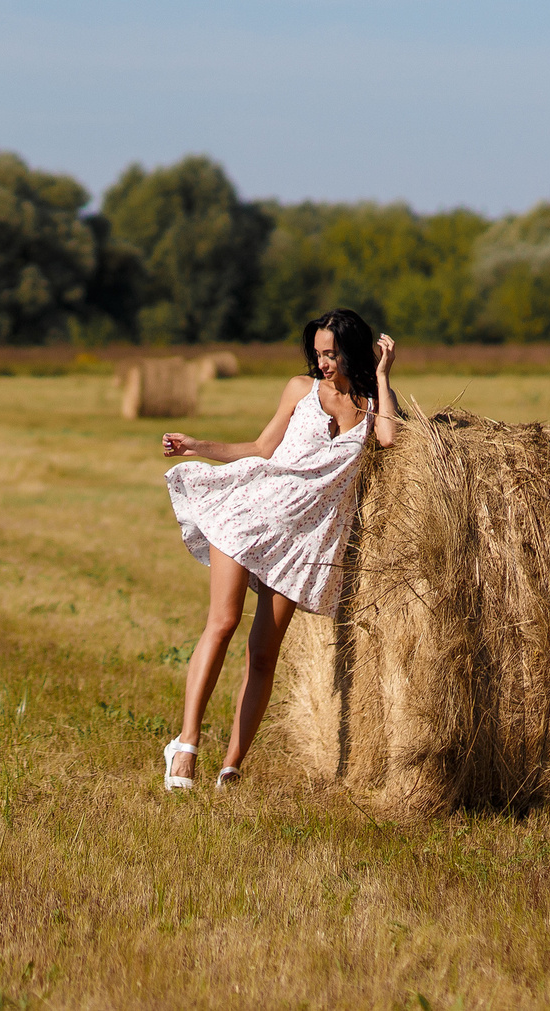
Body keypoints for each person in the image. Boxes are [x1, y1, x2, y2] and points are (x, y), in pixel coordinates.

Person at [155, 310, 402, 790]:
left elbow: (390, 438)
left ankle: (231, 767)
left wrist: (384, 375)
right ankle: (184, 748)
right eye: (318, 352)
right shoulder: (299, 389)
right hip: (251, 514)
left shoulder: (372, 408)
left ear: (352, 351)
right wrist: (196, 445)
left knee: (263, 655)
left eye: (331, 353)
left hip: (303, 542)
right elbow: (263, 447)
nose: (323, 362)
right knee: (223, 623)